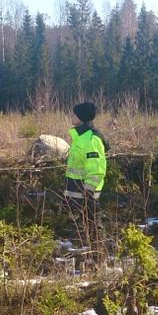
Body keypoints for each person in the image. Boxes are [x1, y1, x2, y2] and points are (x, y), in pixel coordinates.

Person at [64, 101, 109, 254]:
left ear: (81, 117)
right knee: (81, 225)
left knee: (93, 224)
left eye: (74, 114)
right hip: (76, 190)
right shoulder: (80, 137)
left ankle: (99, 254)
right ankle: (85, 254)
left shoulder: (91, 139)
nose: (71, 116)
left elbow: (96, 169)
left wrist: (88, 191)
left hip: (86, 193)